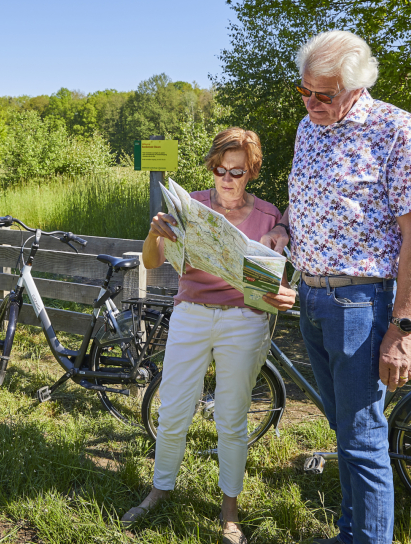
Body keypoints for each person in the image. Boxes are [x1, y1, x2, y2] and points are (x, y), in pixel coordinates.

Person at [260, 30, 411, 544]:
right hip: (311, 297)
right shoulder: (307, 127)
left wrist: (404, 328)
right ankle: (350, 533)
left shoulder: (395, 128)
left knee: (362, 438)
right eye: (305, 91)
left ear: (355, 88)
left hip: (361, 302)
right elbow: (305, 198)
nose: (312, 102)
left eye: (325, 94)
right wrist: (284, 228)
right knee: (343, 430)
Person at [122, 127, 296, 544]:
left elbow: (275, 284)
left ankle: (229, 511)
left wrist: (283, 295)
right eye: (219, 169)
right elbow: (149, 264)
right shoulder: (191, 206)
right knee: (174, 409)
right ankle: (159, 490)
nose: (226, 179)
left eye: (236, 171)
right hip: (191, 315)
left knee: (231, 416)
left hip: (244, 320)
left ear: (251, 171)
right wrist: (153, 233)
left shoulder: (269, 217)